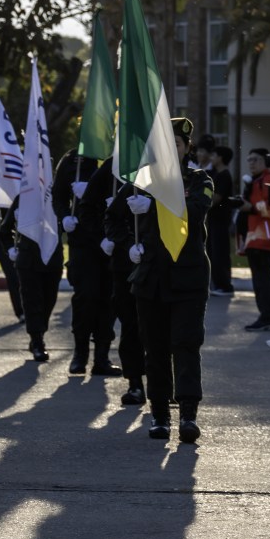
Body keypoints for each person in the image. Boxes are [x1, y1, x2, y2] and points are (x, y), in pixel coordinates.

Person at [126, 117, 213, 441]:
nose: (170, 149)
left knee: (185, 346)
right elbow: (111, 215)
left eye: (176, 144)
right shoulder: (141, 181)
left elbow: (194, 209)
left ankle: (188, 416)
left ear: (186, 147)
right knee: (156, 350)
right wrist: (126, 245)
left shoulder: (200, 179)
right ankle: (160, 415)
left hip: (187, 278)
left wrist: (151, 205)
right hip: (151, 278)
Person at [52, 151, 119, 374]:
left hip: (110, 239)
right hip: (82, 240)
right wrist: (64, 217)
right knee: (86, 297)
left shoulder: (118, 158)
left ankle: (102, 357)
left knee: (108, 299)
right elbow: (58, 195)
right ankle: (80, 354)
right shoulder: (73, 160)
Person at [99, 161, 146, 405]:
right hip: (128, 266)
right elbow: (112, 218)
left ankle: (166, 385)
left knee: (163, 329)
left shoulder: (181, 182)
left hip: (164, 267)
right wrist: (127, 245)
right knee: (130, 325)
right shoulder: (134, 185)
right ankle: (135, 382)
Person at [0, 197, 63, 364]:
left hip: (52, 259)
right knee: (31, 300)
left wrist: (65, 221)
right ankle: (37, 341)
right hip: (28, 259)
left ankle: (39, 333)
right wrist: (11, 248)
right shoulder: (24, 197)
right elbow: (4, 230)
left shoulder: (58, 196)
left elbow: (69, 223)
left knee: (48, 301)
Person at [237, 148, 270, 333]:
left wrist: (250, 207)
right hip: (258, 238)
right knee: (264, 280)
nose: (251, 163)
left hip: (265, 238)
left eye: (255, 159)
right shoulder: (257, 181)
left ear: (266, 161)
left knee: (263, 280)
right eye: (249, 160)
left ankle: (268, 317)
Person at [205, 145, 236, 296]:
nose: (212, 158)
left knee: (220, 253)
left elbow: (216, 198)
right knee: (212, 251)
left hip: (221, 220)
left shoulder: (224, 175)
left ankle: (225, 285)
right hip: (213, 219)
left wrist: (201, 205)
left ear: (221, 158)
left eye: (214, 155)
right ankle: (217, 284)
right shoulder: (215, 174)